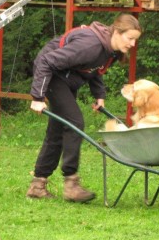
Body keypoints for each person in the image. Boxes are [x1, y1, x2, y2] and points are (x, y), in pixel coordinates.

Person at [26, 13, 141, 202]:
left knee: (57, 130)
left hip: (67, 77)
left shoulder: (110, 50)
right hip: (53, 75)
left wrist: (99, 95)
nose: (132, 45)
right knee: (74, 122)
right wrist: (37, 96)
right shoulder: (90, 45)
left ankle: (38, 184)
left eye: (135, 40)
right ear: (117, 32)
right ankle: (71, 184)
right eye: (130, 38)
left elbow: (95, 69)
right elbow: (47, 61)